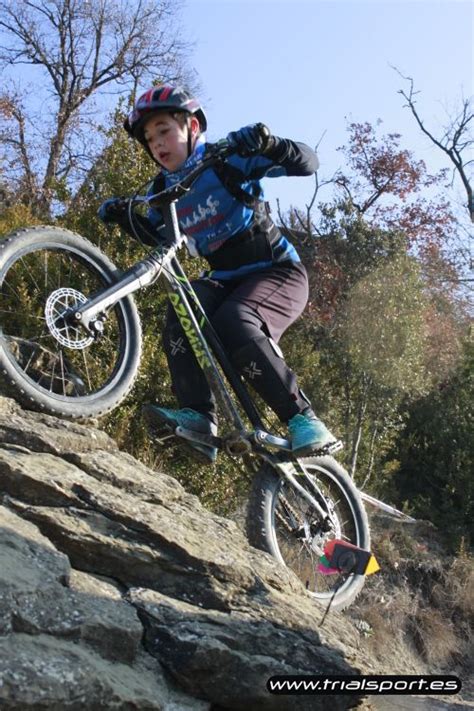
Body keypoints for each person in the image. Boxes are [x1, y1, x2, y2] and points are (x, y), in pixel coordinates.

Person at [98, 84, 337, 463]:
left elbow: (308, 163)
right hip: (226, 279)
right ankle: (198, 419)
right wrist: (125, 218)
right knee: (182, 305)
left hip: (278, 273)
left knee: (234, 319)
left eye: (164, 131)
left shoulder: (227, 160)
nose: (156, 144)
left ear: (192, 126)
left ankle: (304, 419)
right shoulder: (164, 190)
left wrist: (268, 144)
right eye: (148, 138)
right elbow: (162, 240)